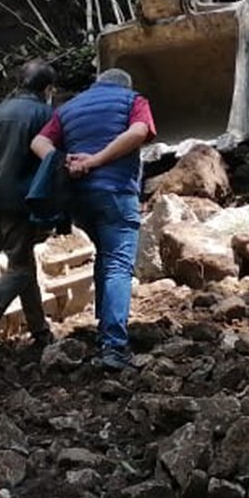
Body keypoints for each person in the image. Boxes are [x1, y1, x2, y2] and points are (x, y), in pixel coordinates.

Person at [30, 68, 155, 372]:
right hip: (115, 192)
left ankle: (105, 327)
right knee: (118, 264)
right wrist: (95, 160)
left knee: (106, 255)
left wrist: (65, 161)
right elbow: (139, 133)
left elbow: (38, 142)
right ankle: (114, 346)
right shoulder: (133, 100)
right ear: (125, 86)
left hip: (78, 198)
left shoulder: (69, 108)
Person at [0, 59, 58, 350]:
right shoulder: (44, 113)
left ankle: (40, 331)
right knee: (21, 268)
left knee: (22, 262)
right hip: (22, 199)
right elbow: (53, 158)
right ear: (47, 88)